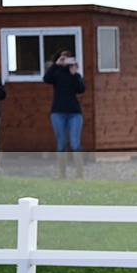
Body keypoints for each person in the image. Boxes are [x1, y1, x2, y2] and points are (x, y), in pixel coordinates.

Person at [43, 49, 85, 178]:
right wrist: (55, 64)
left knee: (74, 142)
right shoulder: (56, 73)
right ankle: (62, 173)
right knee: (60, 143)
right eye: (63, 57)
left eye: (68, 57)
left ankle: (79, 173)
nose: (65, 59)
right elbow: (46, 79)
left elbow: (81, 89)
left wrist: (74, 74)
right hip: (58, 112)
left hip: (74, 113)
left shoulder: (74, 75)